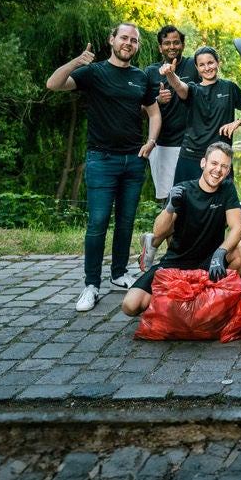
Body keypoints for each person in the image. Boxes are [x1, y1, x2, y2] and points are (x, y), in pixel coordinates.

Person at [46, 23, 159, 310]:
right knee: (97, 223)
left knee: (125, 222)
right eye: (124, 38)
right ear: (112, 40)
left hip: (134, 161)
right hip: (101, 160)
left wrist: (151, 141)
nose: (128, 43)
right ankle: (91, 285)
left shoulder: (140, 77)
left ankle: (119, 274)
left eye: (133, 40)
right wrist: (76, 62)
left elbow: (154, 112)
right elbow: (54, 84)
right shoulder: (94, 72)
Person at [122, 142, 241, 316]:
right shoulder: (183, 190)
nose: (218, 170)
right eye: (214, 163)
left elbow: (237, 228)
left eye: (224, 166)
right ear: (203, 163)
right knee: (131, 306)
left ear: (228, 171)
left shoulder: (227, 189)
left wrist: (220, 253)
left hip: (210, 263)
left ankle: (222, 301)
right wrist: (170, 207)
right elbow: (159, 232)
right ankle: (178, 303)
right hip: (176, 263)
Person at [172, 46, 241, 189]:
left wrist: (238, 121)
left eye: (210, 63)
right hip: (191, 156)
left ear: (218, 63)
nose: (207, 68)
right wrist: (170, 74)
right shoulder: (193, 89)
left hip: (220, 158)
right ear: (197, 68)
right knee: (182, 203)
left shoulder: (229, 87)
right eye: (202, 65)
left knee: (220, 205)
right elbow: (179, 86)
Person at [143, 25, 197, 202]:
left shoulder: (194, 66)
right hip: (163, 144)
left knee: (192, 194)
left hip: (192, 144)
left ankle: (189, 230)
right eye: (167, 43)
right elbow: (140, 109)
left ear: (183, 44)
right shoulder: (150, 72)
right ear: (160, 47)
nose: (172, 47)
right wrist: (157, 100)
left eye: (176, 42)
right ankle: (167, 230)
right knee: (168, 198)